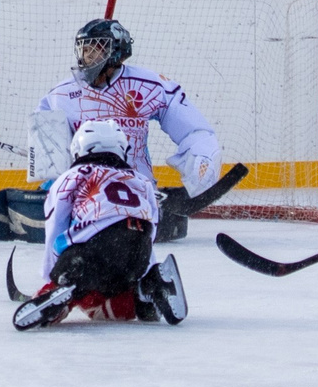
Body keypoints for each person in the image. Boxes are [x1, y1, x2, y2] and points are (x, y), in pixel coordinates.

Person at [27, 17, 222, 211]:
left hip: (139, 192)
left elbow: (195, 130)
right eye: (85, 50)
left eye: (97, 49)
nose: (89, 56)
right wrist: (53, 173)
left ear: (117, 51)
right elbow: (48, 154)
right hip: (85, 197)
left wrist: (201, 158)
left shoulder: (149, 85)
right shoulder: (60, 95)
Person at [12, 120, 187, 329]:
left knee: (75, 281)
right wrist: (146, 270)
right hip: (138, 251)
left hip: (95, 246)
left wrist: (54, 274)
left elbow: (56, 220)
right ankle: (147, 291)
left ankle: (59, 295)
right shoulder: (141, 180)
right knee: (115, 303)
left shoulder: (73, 175)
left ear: (78, 149)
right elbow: (151, 225)